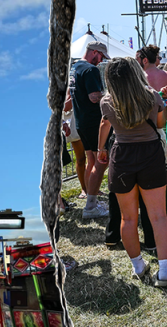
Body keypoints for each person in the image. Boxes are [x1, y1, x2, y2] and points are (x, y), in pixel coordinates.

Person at [97, 58, 167, 286]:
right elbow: (160, 124)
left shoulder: (107, 102)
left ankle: (138, 266)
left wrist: (101, 148)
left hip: (122, 155)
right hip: (150, 153)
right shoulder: (152, 96)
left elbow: (105, 124)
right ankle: (164, 271)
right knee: (159, 216)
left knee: (128, 218)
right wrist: (165, 104)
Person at [67, 41, 110, 219]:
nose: (100, 62)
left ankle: (90, 196)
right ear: (94, 52)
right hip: (93, 121)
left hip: (81, 120)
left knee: (91, 159)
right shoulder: (90, 70)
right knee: (100, 160)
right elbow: (94, 97)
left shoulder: (75, 67)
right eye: (100, 57)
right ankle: (91, 204)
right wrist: (110, 96)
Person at [63, 89, 87, 199]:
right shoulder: (68, 83)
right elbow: (66, 107)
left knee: (92, 159)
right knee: (81, 158)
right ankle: (85, 189)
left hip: (87, 119)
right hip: (75, 123)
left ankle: (92, 187)